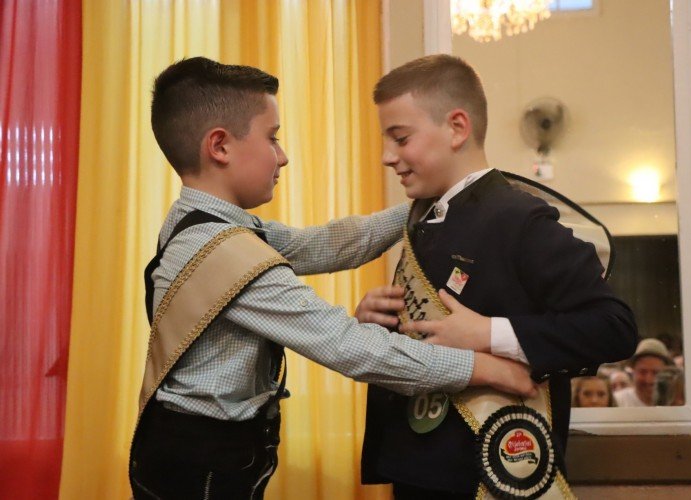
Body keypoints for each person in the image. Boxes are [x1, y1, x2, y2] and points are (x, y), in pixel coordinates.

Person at [128, 56, 538, 499]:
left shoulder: (207, 224)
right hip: (202, 467)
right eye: (273, 138)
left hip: (195, 451)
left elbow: (329, 243)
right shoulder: (222, 253)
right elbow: (350, 346)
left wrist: (437, 200)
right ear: (220, 146)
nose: (282, 156)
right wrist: (485, 367)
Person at [357, 54, 638, 499]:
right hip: (420, 468)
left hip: (492, 472)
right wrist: (379, 325)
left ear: (456, 127)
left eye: (401, 138)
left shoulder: (519, 219)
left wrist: (488, 333)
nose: (387, 157)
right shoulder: (426, 218)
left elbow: (614, 328)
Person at [614, 338, 672, 407]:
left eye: (656, 373)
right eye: (642, 372)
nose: (649, 380)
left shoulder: (676, 403)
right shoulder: (618, 401)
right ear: (633, 371)